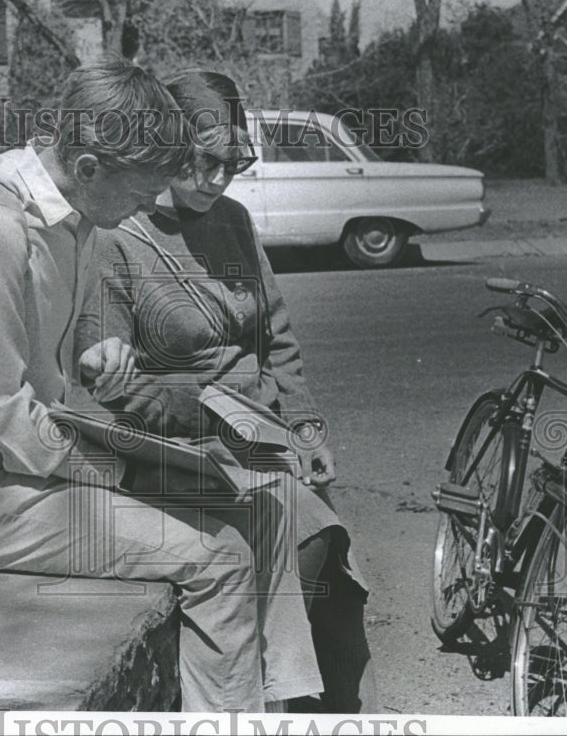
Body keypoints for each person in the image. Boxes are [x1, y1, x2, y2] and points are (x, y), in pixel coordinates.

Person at [0, 57, 326, 712]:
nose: (150, 206)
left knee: (257, 502)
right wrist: (124, 468)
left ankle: (281, 707)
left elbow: (42, 369)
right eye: (142, 193)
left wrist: (99, 360)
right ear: (89, 167)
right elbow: (0, 417)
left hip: (26, 465)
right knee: (219, 553)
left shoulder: (74, 214)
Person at [73, 70, 376, 713]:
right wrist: (208, 416)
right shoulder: (117, 236)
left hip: (261, 435)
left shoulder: (234, 221)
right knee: (301, 535)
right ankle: (270, 700)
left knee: (328, 563)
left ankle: (319, 706)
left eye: (232, 165)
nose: (217, 180)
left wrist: (305, 427)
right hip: (177, 448)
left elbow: (277, 335)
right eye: (202, 163)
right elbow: (111, 384)